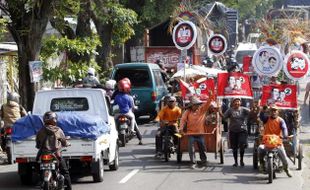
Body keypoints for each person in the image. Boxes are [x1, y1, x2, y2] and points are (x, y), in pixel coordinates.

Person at [36, 111, 72, 190]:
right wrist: (66, 144)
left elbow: (38, 144)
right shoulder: (58, 130)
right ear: (54, 120)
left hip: (43, 154)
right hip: (56, 154)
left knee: (37, 166)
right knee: (65, 172)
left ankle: (39, 181)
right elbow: (63, 141)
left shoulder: (40, 131)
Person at [179, 95, 214, 169]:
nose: (198, 106)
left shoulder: (202, 110)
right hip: (190, 133)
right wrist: (181, 129)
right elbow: (183, 120)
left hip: (200, 132)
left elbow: (208, 103)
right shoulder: (187, 112)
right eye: (196, 105)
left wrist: (210, 96)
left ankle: (204, 160)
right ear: (192, 106)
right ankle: (193, 162)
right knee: (191, 148)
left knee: (202, 147)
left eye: (198, 105)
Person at [258, 104, 292, 177]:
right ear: (270, 112)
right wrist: (263, 109)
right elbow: (261, 117)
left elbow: (284, 128)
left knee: (285, 159)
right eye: (272, 110)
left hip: (277, 142)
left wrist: (285, 135)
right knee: (260, 149)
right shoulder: (266, 119)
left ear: (277, 112)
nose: (274, 112)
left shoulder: (281, 120)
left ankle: (286, 169)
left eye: (275, 111)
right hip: (266, 142)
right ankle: (262, 164)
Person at [220, 97, 250, 167]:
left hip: (242, 130)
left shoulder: (244, 109)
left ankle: (241, 160)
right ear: (232, 103)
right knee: (234, 147)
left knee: (242, 145)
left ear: (240, 103)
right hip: (233, 130)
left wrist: (256, 109)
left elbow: (251, 113)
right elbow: (224, 117)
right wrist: (219, 112)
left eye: (238, 101)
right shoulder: (230, 110)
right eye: (235, 102)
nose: (237, 103)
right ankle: (236, 162)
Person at [113, 78, 143, 145]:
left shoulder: (117, 96)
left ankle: (115, 131)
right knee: (133, 118)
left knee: (114, 120)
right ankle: (132, 130)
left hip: (118, 113)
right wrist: (135, 108)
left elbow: (114, 104)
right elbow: (132, 106)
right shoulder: (129, 97)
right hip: (127, 113)